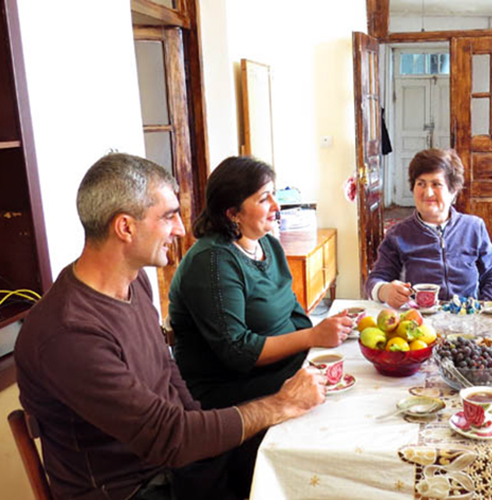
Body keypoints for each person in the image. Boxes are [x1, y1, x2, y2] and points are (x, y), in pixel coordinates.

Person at [14, 153, 328, 500]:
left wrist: (205, 435)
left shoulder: (135, 285)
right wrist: (281, 403)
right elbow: (169, 438)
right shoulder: (69, 334)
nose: (180, 228)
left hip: (176, 467)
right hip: (133, 489)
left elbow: (167, 370)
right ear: (125, 227)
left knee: (307, 468)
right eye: (168, 217)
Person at [168, 156, 353, 410]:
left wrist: (316, 341)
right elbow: (237, 350)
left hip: (281, 366)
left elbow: (294, 312)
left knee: (351, 373)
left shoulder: (268, 244)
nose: (276, 206)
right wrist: (312, 337)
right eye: (264, 199)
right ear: (233, 213)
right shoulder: (212, 261)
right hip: (231, 388)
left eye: (273, 195)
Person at [366, 148, 492, 308]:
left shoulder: (474, 228)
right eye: (421, 184)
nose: (428, 192)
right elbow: (374, 280)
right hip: (420, 323)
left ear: (453, 191)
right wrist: (384, 290)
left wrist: (483, 308)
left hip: (467, 321)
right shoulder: (398, 234)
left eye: (436, 184)